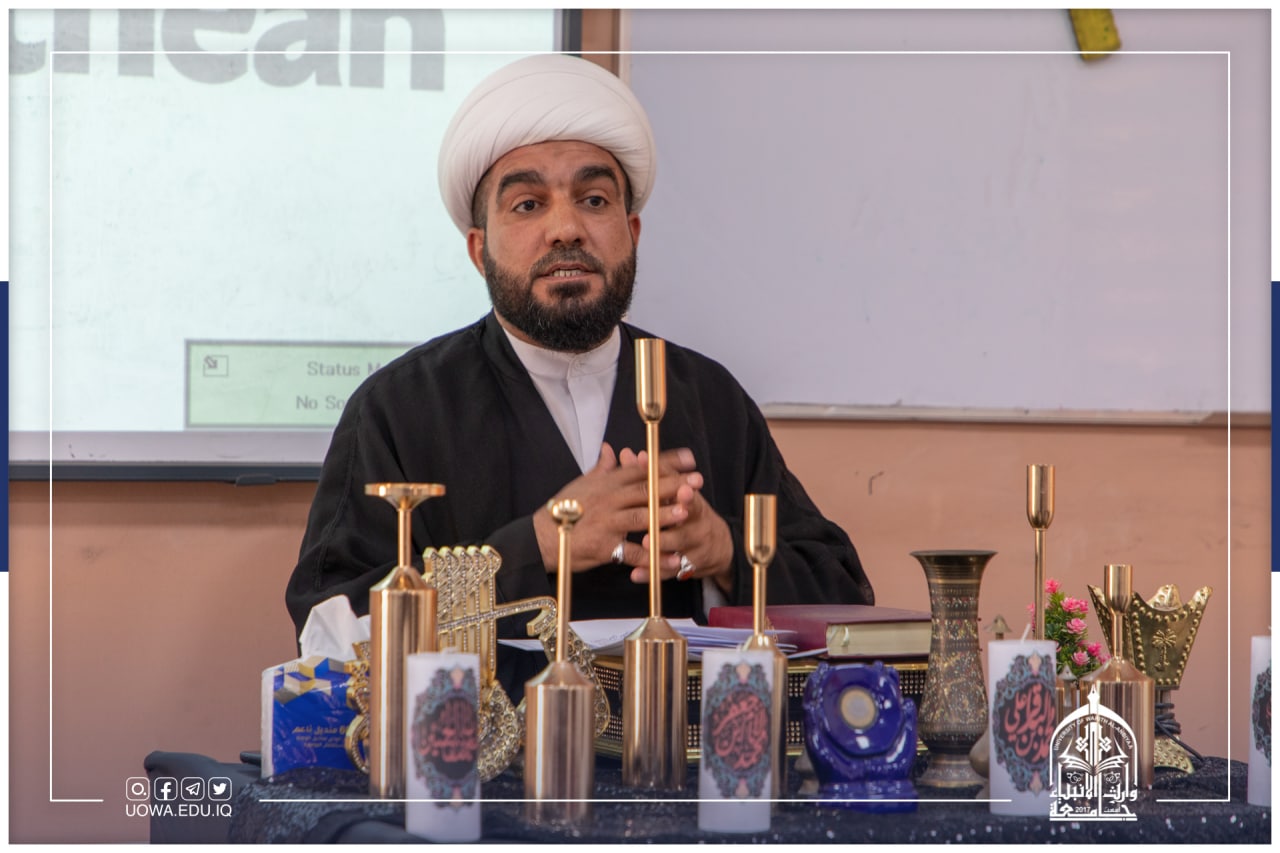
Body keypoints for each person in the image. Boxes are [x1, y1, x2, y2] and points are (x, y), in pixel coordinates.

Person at [286, 54, 873, 699]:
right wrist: (538, 544)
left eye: (594, 200)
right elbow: (329, 636)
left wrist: (726, 553)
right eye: (528, 204)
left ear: (632, 231)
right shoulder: (401, 408)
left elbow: (845, 602)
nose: (565, 229)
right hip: (484, 757)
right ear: (480, 249)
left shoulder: (709, 398)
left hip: (682, 753)